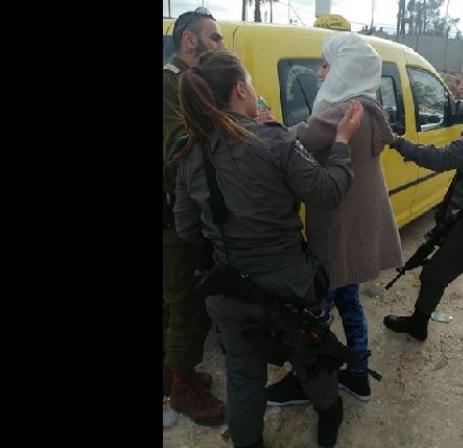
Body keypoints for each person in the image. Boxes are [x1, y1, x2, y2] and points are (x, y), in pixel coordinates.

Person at [173, 50, 365, 448]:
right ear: (241, 90)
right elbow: (329, 192)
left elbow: (187, 228)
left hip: (229, 289)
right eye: (250, 82)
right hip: (289, 286)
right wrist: (342, 141)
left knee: (243, 376)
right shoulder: (275, 140)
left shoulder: (191, 155)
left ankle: (247, 441)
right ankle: (329, 413)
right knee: (311, 357)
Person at [266, 32, 402, 405]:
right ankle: (358, 375)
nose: (320, 73)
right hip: (359, 229)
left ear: (345, 69)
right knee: (350, 302)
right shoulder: (370, 106)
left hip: (338, 231)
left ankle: (307, 380)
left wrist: (267, 125)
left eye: (326, 65)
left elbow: (292, 142)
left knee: (315, 314)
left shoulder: (340, 110)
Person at [382, 47, 463, 418]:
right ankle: (418, 323)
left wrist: (396, 141)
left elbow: (444, 159)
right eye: (461, 77)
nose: (460, 85)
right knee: (434, 275)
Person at [162, 7, 226, 426]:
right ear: (189, 40)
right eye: (214, 37)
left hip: (181, 214)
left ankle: (174, 375)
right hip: (174, 218)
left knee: (175, 302)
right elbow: (176, 147)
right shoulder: (171, 83)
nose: (220, 44)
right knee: (186, 304)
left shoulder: (189, 82)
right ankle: (183, 389)